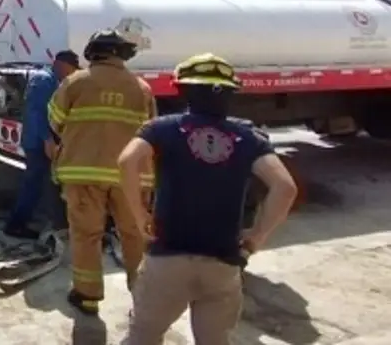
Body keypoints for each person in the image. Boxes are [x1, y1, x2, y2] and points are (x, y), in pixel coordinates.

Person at [118, 53, 298, 345]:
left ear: (182, 89)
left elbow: (127, 161)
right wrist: (255, 239)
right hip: (222, 262)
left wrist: (140, 218)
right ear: (229, 94)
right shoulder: (249, 137)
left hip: (167, 259)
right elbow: (285, 187)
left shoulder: (162, 128)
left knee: (143, 336)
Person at [49, 29, 157, 316]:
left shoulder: (75, 82)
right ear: (122, 54)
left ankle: (87, 296)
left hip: (83, 173)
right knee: (134, 235)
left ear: (93, 52)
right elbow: (152, 131)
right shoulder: (142, 88)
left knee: (87, 234)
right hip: (131, 177)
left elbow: (56, 119)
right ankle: (144, 297)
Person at [3, 50, 81, 239]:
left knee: (41, 182)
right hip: (37, 142)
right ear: (64, 66)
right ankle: (16, 224)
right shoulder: (44, 81)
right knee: (33, 183)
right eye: (71, 71)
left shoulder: (50, 79)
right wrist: (47, 140)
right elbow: (37, 113)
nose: (71, 76)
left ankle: (43, 221)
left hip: (38, 139)